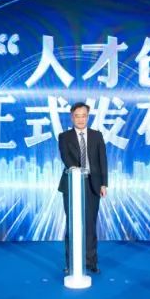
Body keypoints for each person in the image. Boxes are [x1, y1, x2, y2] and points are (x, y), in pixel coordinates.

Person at [57, 102, 108, 274]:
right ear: (72, 117)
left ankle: (91, 262)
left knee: (90, 224)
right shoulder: (64, 137)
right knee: (72, 224)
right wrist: (75, 170)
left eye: (83, 116)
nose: (80, 119)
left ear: (88, 117)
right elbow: (65, 157)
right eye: (77, 116)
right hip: (72, 184)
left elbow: (103, 161)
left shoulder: (97, 136)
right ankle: (71, 263)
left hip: (93, 184)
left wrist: (104, 184)